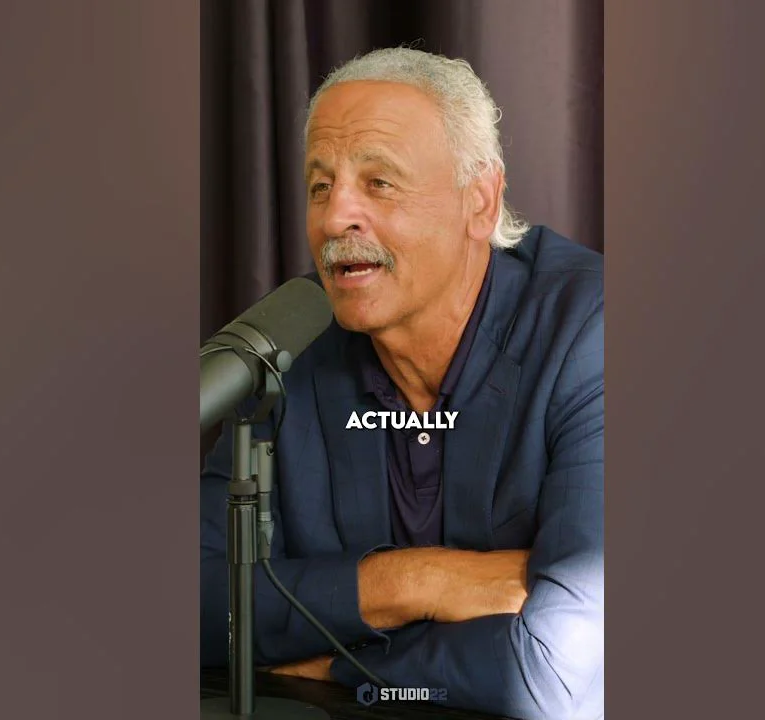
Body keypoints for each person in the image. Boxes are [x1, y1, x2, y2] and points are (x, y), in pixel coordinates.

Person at [200, 46, 604, 720]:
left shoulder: (591, 329)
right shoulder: (291, 344)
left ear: (480, 201)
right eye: (320, 186)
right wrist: (412, 582)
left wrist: (336, 669)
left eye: (379, 182)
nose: (334, 219)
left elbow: (559, 676)